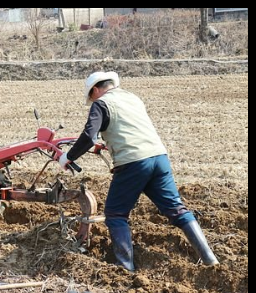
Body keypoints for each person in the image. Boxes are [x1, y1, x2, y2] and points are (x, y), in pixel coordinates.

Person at [59, 71, 219, 271]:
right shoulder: (132, 98)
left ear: (95, 90)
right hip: (159, 158)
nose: (91, 100)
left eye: (90, 96)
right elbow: (127, 129)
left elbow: (88, 137)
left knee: (115, 214)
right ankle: (210, 259)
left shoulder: (101, 104)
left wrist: (68, 157)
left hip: (133, 163)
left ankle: (125, 268)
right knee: (177, 210)